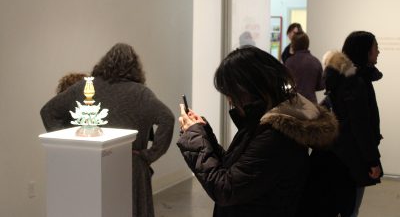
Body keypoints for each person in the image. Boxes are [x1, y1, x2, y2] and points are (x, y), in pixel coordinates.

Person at [177, 46, 338, 217]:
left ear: (248, 89)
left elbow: (226, 189)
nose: (230, 100)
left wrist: (194, 137)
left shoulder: (276, 134)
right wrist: (203, 134)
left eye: (231, 93)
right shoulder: (269, 121)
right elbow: (235, 169)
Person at [40, 43, 175, 217]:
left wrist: (72, 147)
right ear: (135, 67)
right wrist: (150, 155)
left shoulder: (86, 88)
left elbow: (48, 112)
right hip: (131, 165)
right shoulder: (141, 93)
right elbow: (167, 119)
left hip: (93, 163)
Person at [304, 31, 383, 217]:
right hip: (349, 157)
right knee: (348, 208)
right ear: (365, 51)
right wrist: (373, 160)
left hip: (337, 154)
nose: (378, 52)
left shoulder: (343, 78)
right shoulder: (354, 82)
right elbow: (359, 125)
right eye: (375, 47)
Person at [285, 32, 324, 103]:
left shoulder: (289, 62)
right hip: (311, 104)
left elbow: (285, 85)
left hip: (294, 104)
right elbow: (321, 86)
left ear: (293, 44)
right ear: (307, 44)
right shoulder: (315, 61)